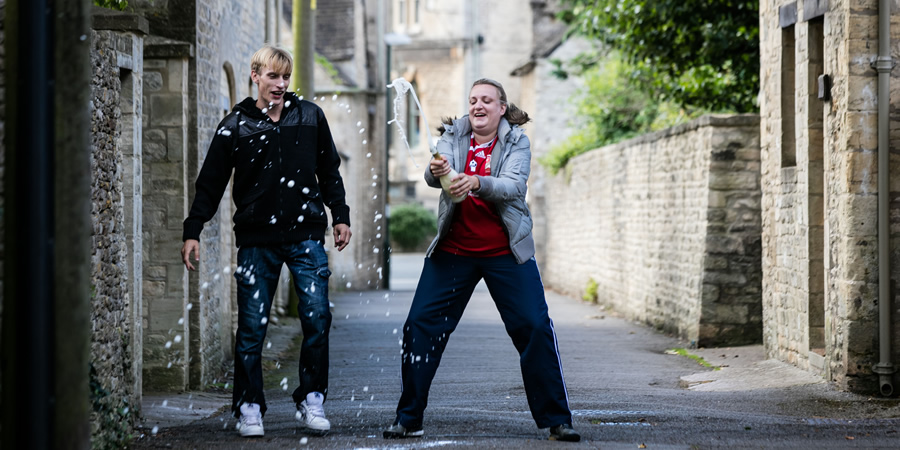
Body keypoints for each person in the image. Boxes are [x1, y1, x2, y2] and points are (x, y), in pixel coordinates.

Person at [383, 78, 580, 442]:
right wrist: (438, 171)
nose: (478, 105)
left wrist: (476, 182)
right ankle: (408, 418)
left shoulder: (516, 141)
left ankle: (557, 419)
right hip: (454, 251)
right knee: (420, 326)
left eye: (487, 100)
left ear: (501, 108)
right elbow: (431, 174)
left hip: (505, 251)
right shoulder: (453, 134)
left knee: (534, 326)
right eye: (473, 99)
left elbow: (514, 186)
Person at [180, 44, 352, 438]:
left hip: (307, 236)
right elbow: (210, 183)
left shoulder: (310, 117)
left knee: (317, 318)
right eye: (272, 76)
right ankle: (250, 406)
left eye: (285, 77)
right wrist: (194, 229)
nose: (280, 84)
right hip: (257, 241)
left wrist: (339, 216)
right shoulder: (235, 125)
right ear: (255, 76)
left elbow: (329, 172)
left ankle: (311, 400)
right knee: (253, 328)